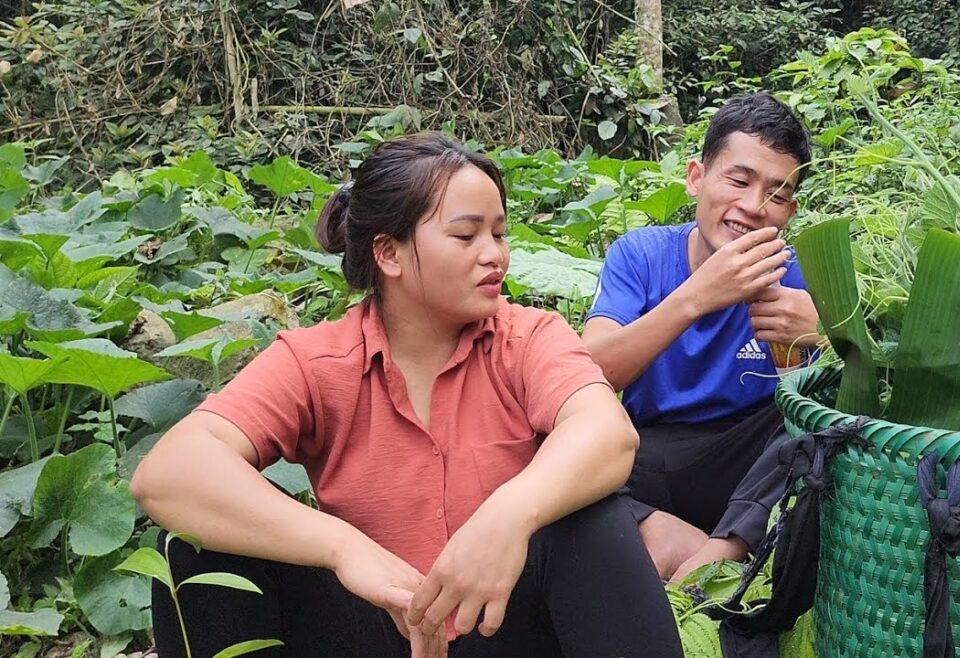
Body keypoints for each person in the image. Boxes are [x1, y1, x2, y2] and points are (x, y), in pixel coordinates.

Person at [131, 133, 684, 658]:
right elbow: (169, 474)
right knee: (190, 547)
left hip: (504, 631)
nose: (495, 254)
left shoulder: (528, 338)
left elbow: (606, 433)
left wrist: (508, 518)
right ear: (389, 255)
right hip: (373, 630)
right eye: (467, 236)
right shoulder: (317, 360)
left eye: (499, 232)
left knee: (593, 522)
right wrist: (344, 549)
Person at [581, 93, 821, 582]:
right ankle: (685, 543)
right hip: (647, 450)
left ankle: (720, 555)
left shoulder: (794, 276)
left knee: (806, 430)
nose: (753, 207)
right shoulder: (641, 255)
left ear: (790, 210)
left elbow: (811, 413)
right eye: (739, 180)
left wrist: (822, 339)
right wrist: (695, 297)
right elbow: (590, 372)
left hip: (743, 464)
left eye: (776, 195)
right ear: (697, 177)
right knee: (559, 442)